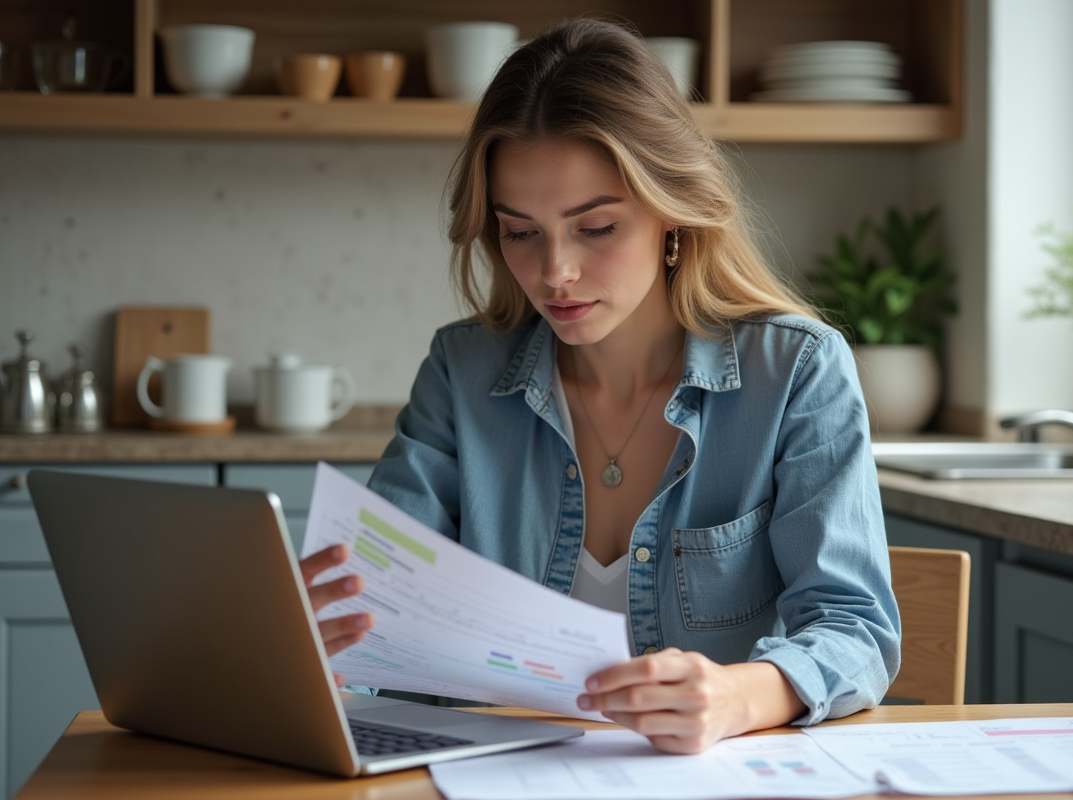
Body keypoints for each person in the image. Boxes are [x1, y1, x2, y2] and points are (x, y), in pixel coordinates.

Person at [300, 17, 900, 755]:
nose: (555, 272)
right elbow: (374, 614)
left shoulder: (796, 372)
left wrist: (736, 696)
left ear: (671, 214)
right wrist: (316, 632)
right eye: (521, 232)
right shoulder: (461, 373)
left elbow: (855, 627)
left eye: (596, 227)